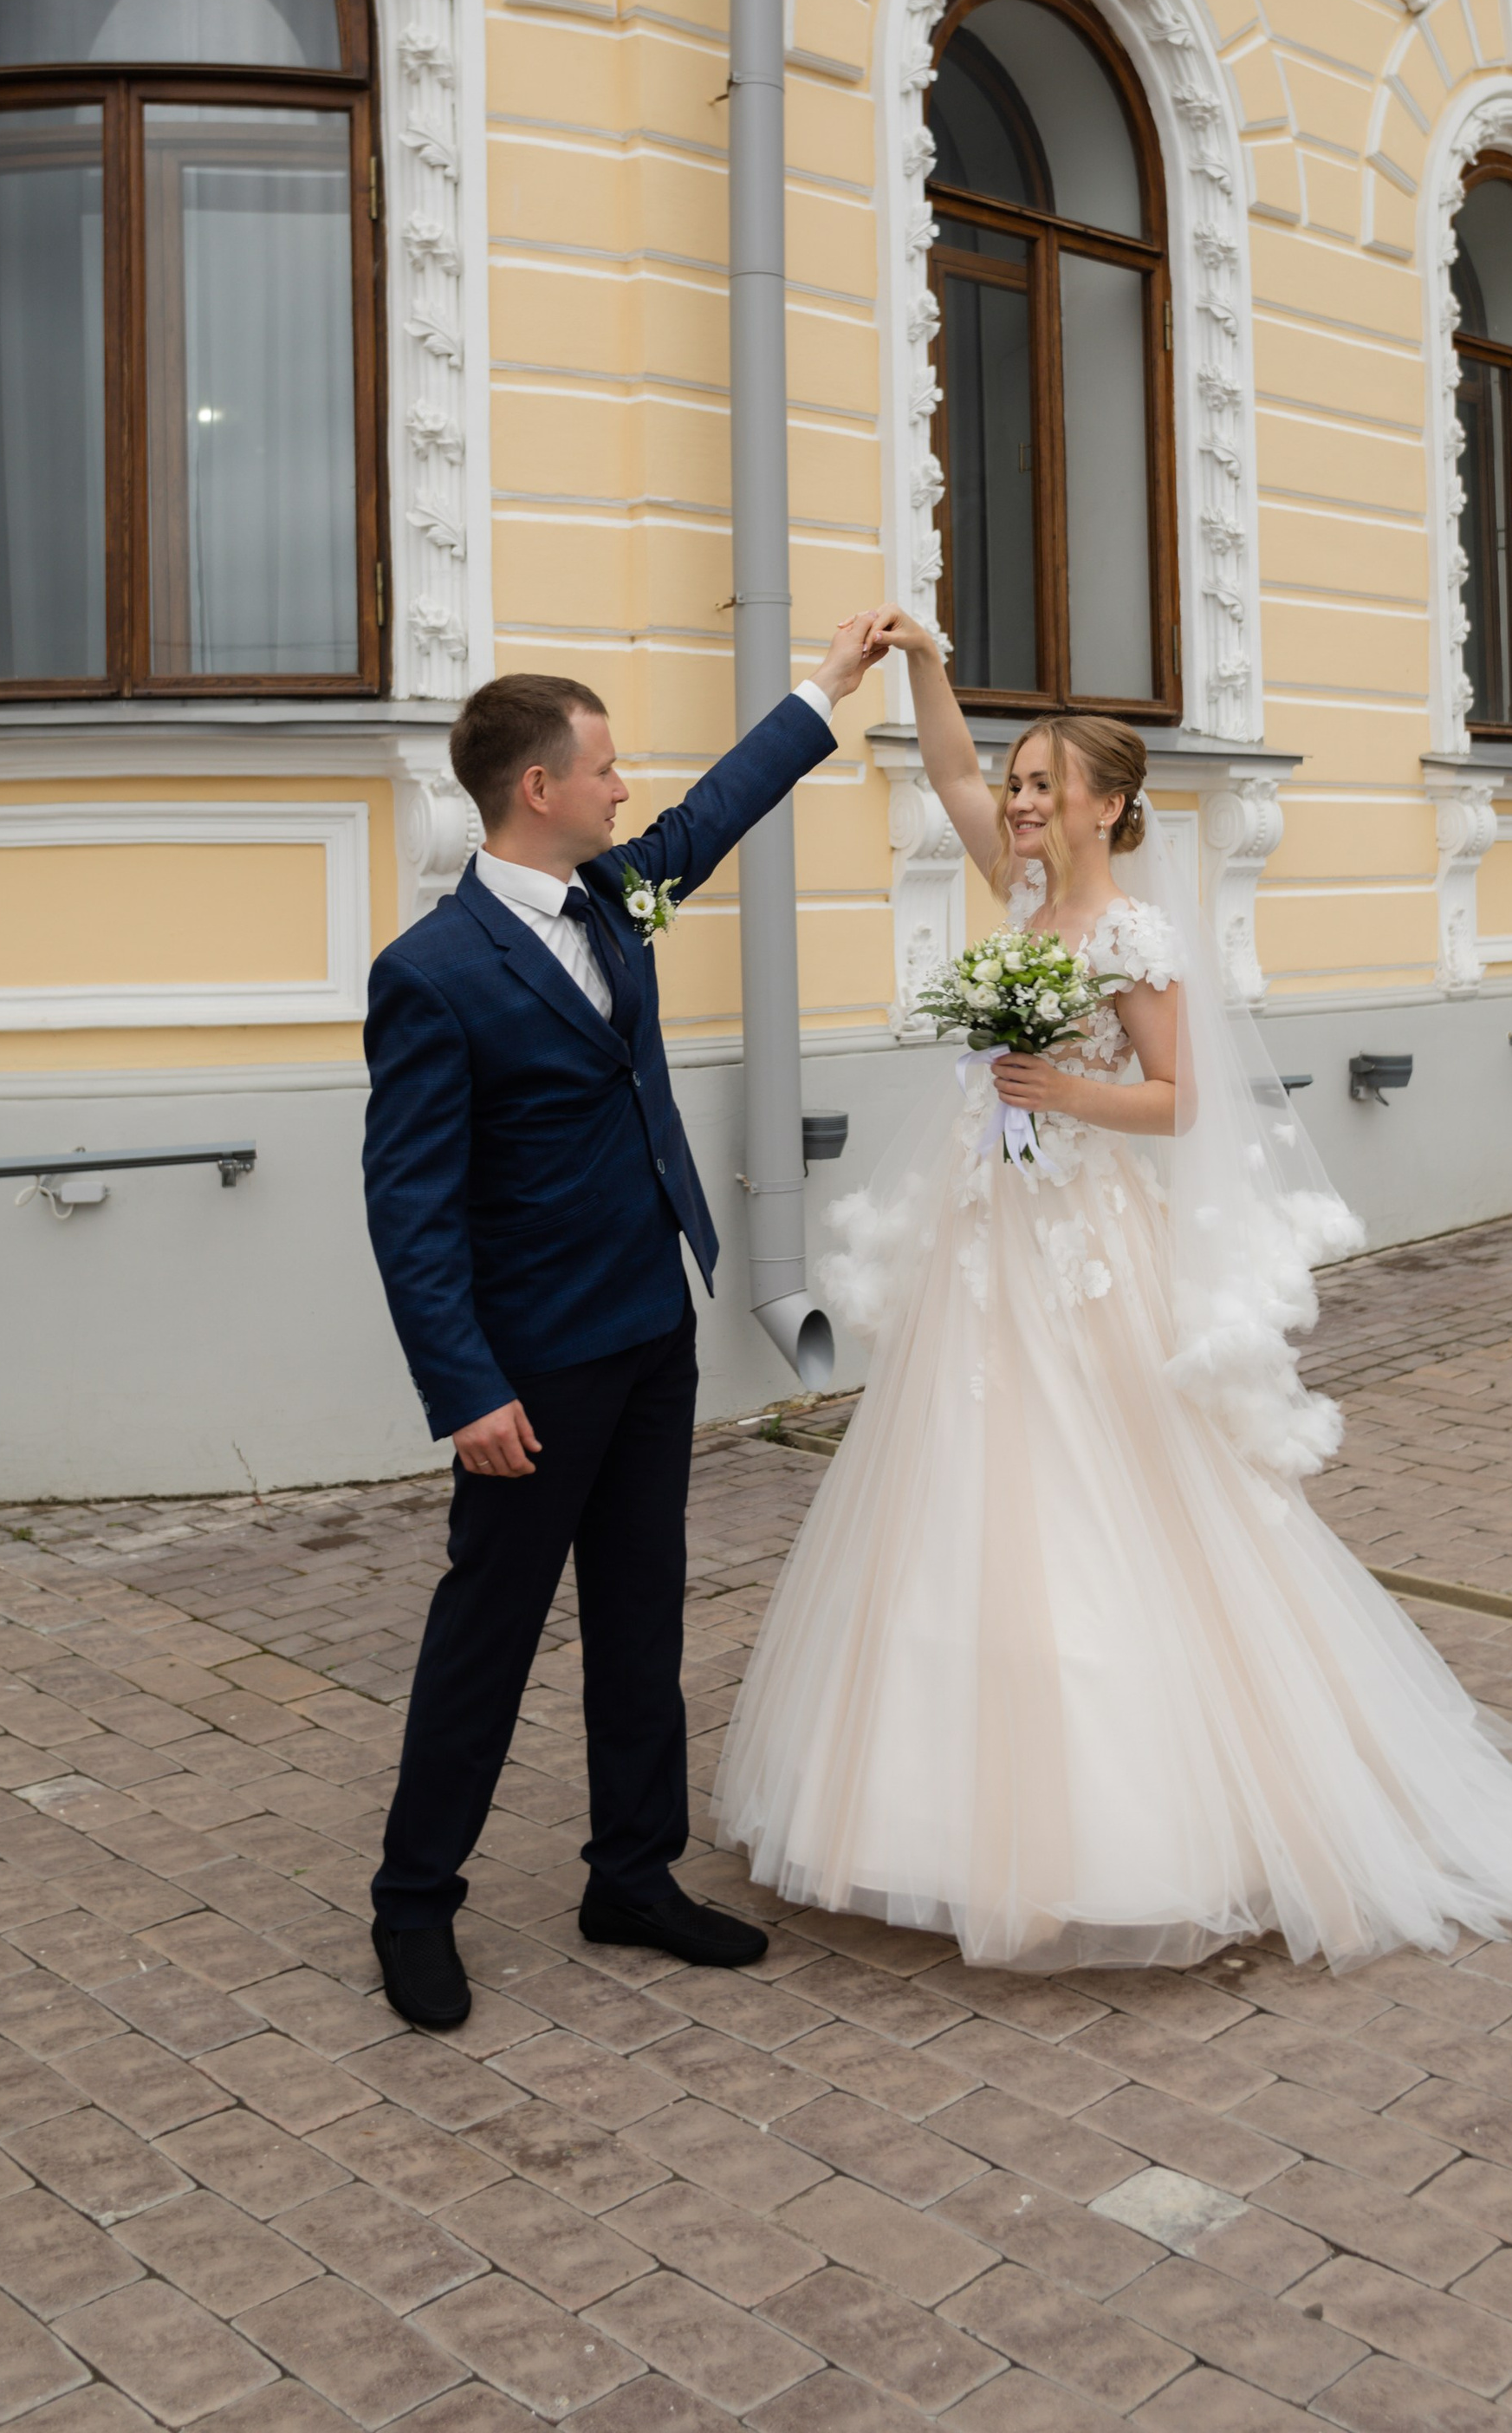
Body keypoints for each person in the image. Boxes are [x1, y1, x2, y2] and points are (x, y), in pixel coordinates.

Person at [713, 609, 1512, 1974]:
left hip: (1087, 1236)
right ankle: (935, 1816)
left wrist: (1058, 1088)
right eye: (1020, 785)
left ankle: (1145, 1824)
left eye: (1044, 787)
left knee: (1108, 1487)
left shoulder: (1135, 935)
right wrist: (925, 670)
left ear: (1106, 806)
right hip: (995, 1229)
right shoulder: (1022, 891)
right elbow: (951, 779)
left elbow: (1179, 1098)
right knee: (963, 1477)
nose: (1019, 803)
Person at [363, 621, 881, 2029]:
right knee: (491, 1631)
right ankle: (415, 1904)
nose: (623, 787)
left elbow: (713, 814)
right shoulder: (435, 971)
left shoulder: (612, 896)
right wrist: (464, 1389)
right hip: (530, 1367)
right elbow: (409, 1210)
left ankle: (631, 1878)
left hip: (653, 1326)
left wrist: (824, 689)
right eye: (603, 768)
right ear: (538, 787)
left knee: (641, 1612)